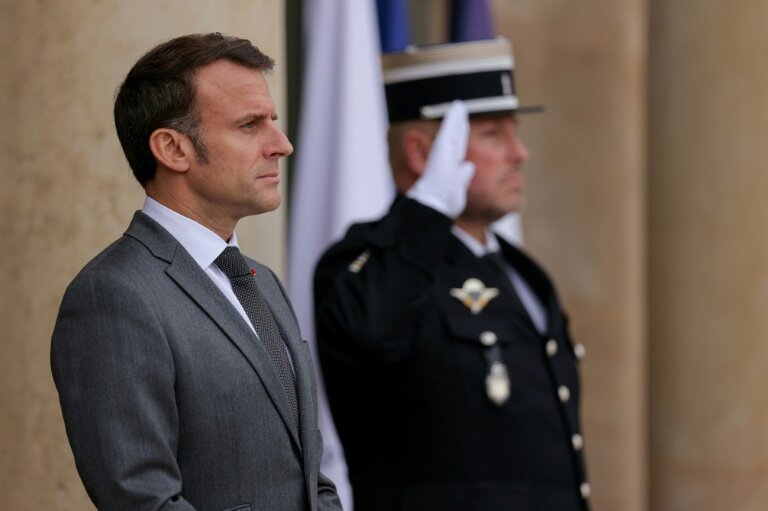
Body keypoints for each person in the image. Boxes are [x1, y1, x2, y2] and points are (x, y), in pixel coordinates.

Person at [51, 33, 342, 511]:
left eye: (273, 121)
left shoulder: (261, 281)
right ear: (173, 149)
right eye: (250, 125)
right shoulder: (113, 294)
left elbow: (310, 479)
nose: (282, 145)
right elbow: (143, 499)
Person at [314, 38, 590, 511]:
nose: (519, 152)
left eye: (514, 131)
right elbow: (370, 332)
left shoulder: (520, 270)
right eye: (491, 134)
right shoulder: (366, 264)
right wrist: (428, 212)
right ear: (423, 154)